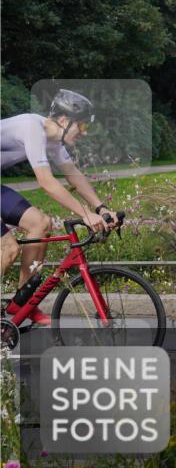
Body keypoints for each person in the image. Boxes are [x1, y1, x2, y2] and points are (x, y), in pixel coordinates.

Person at [1, 89, 117, 325]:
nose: (84, 132)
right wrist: (84, 214)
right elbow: (46, 182)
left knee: (41, 224)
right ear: (64, 120)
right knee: (8, 248)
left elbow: (72, 174)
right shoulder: (32, 127)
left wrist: (100, 208)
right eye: (82, 126)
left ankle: (22, 302)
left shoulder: (53, 139)